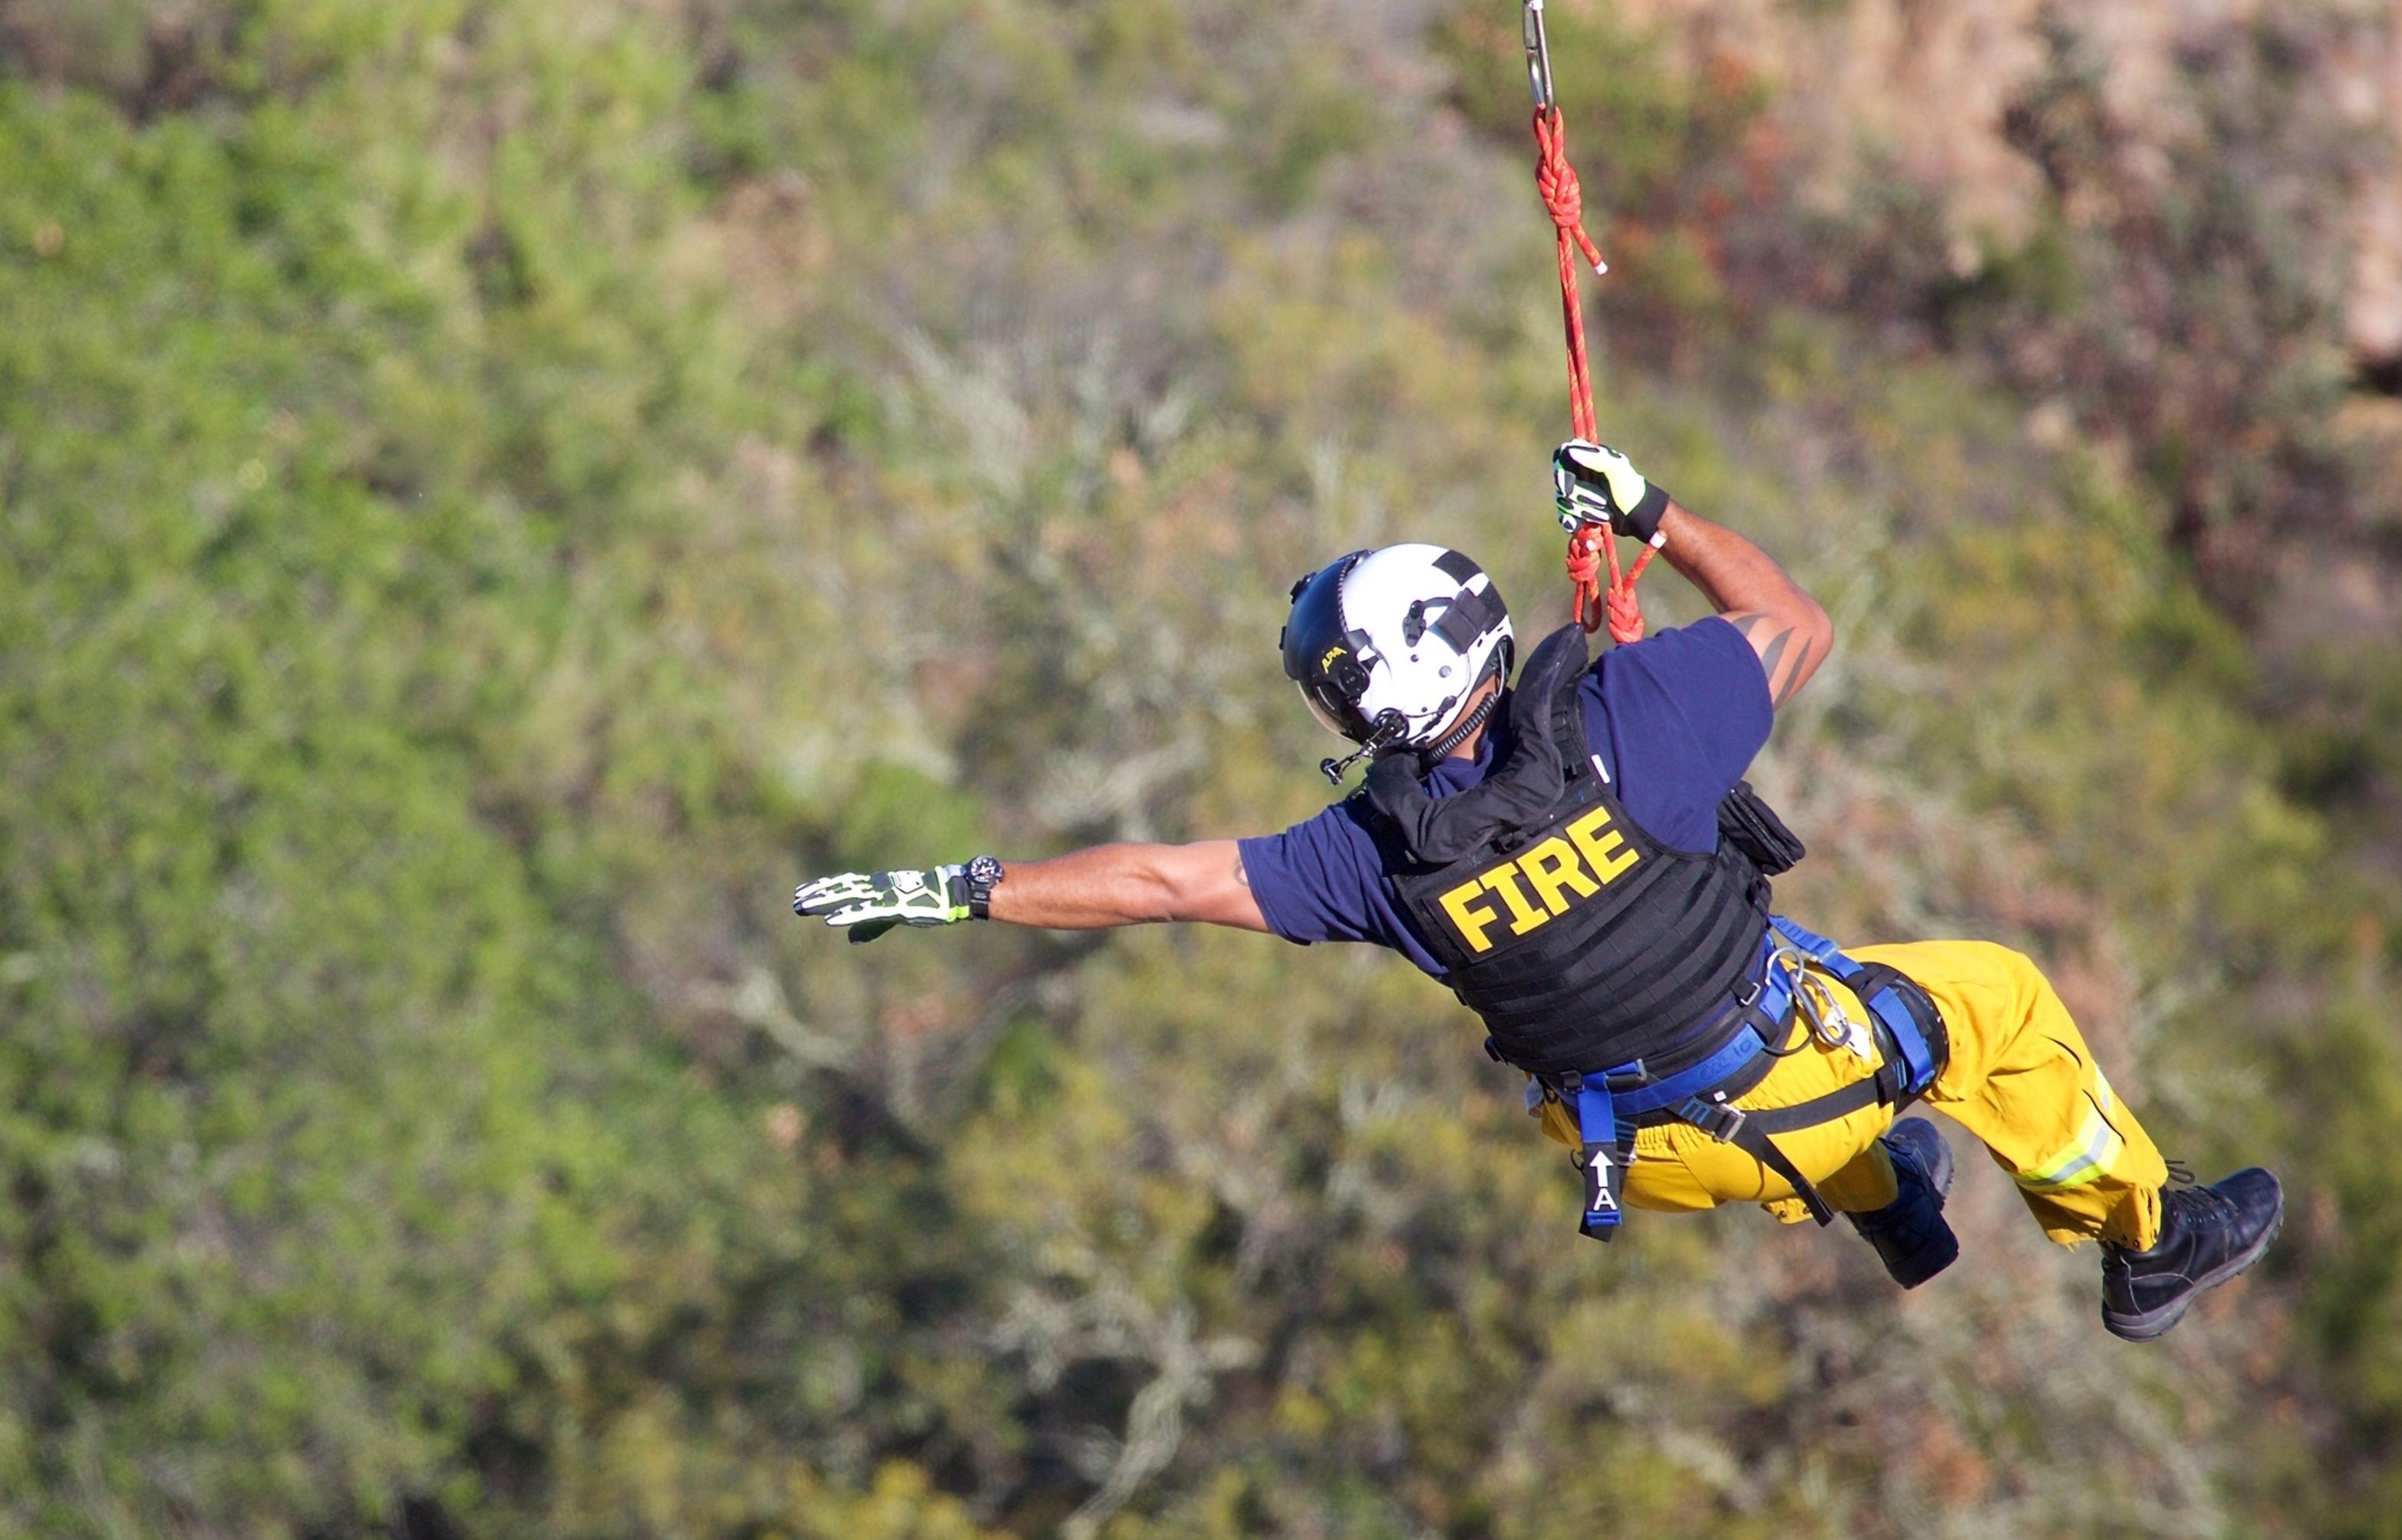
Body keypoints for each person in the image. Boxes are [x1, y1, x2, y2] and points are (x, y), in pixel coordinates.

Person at [794, 442, 2281, 1334]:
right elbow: (1794, 621)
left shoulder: (1371, 860)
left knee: (1784, 1034)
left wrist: (968, 887)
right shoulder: (1630, 720)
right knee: (1992, 1004)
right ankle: (2148, 1248)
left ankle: (1890, 1196)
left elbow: (1160, 879)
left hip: (1650, 1156)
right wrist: (1654, 512)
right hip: (1784, 1071)